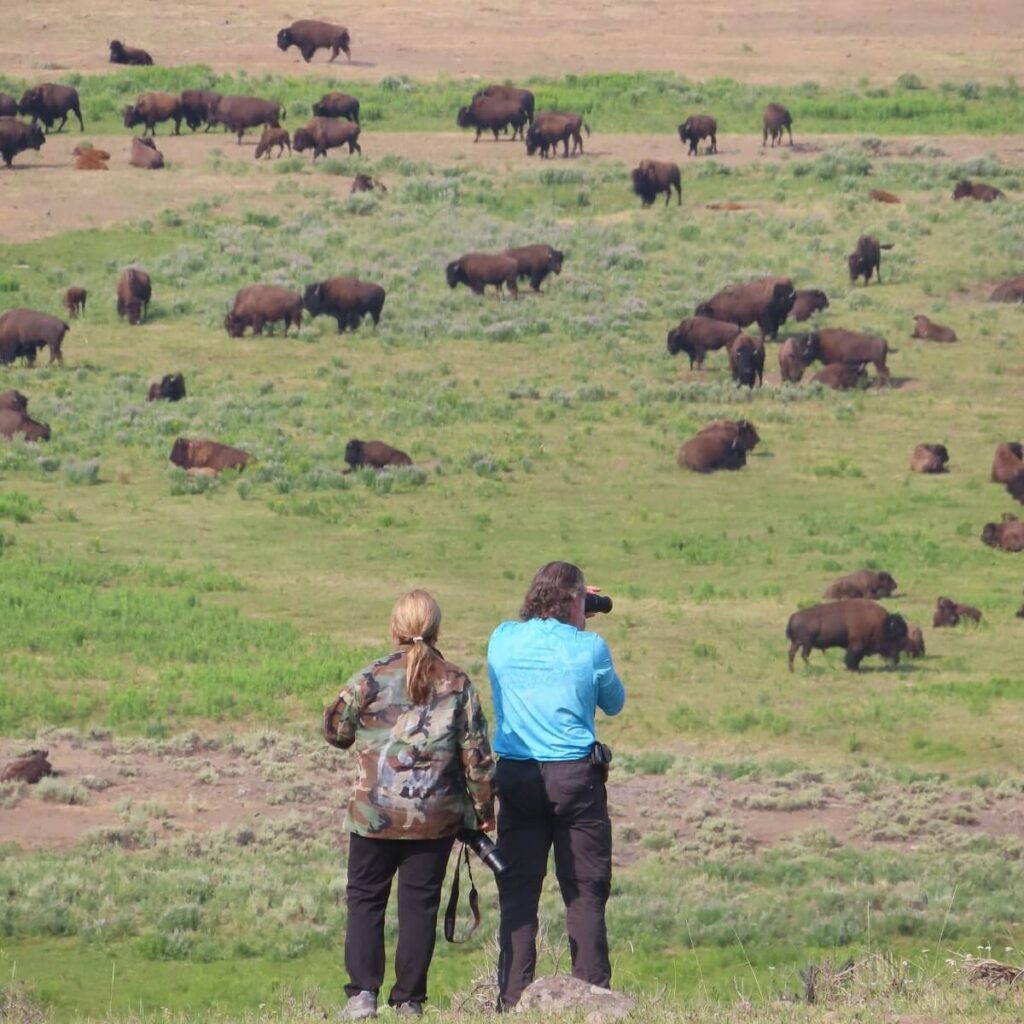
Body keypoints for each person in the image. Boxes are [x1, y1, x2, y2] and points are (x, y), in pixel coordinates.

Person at [323, 590, 495, 1020]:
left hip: (373, 816)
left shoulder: (370, 677)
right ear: (436, 629)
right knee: (420, 906)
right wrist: (483, 813)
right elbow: (476, 758)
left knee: (366, 900)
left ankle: (362, 995)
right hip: (434, 819)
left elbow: (334, 729)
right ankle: (408, 1001)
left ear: (395, 628)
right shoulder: (457, 682)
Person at [486, 561, 626, 1010]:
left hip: (518, 775)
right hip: (575, 779)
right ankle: (593, 998)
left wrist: (574, 607)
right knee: (585, 891)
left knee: (518, 891)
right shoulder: (590, 647)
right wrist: (581, 622)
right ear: (575, 601)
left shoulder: (502, 639)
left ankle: (513, 1000)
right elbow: (615, 703)